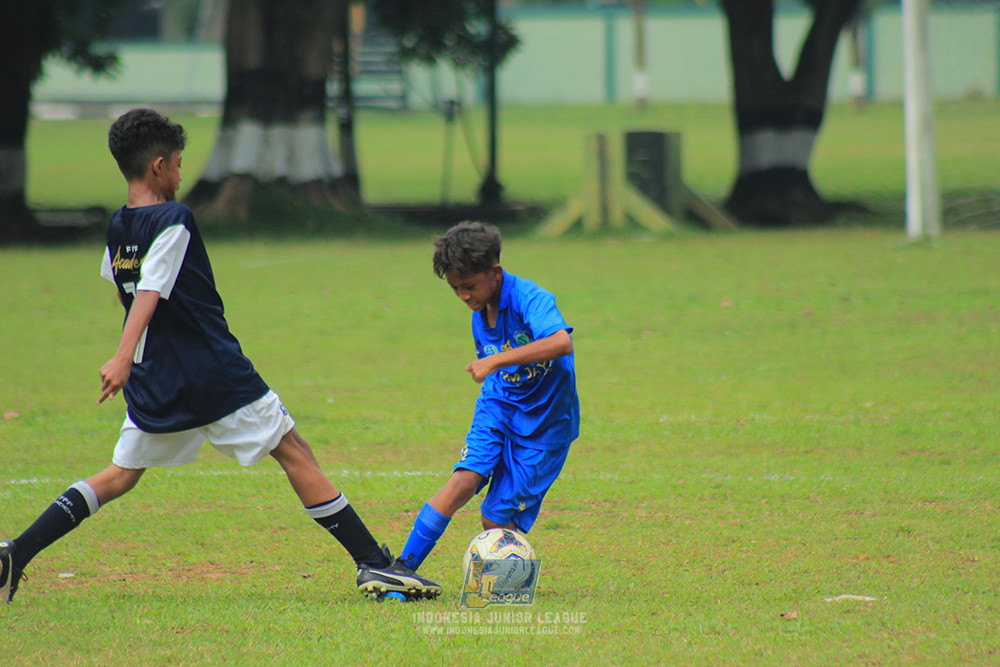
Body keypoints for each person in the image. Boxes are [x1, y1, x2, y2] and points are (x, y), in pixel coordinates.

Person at [0, 108, 439, 604]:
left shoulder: (119, 226)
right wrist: (122, 357)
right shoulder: (174, 219)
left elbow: (122, 291)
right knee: (293, 450)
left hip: (156, 379)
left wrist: (134, 359)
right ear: (159, 166)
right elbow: (147, 292)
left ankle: (16, 551)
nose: (182, 175)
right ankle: (375, 566)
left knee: (120, 475)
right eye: (180, 164)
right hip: (209, 370)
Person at [363, 222, 579, 601]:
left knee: (494, 519)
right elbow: (497, 359)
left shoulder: (532, 298)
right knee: (462, 481)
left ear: (495, 272)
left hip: (546, 424)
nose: (463, 296)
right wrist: (497, 369)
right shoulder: (481, 303)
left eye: (469, 286)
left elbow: (561, 343)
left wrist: (496, 362)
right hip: (499, 405)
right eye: (455, 289)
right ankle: (403, 570)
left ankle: (504, 585)